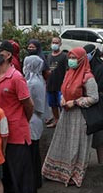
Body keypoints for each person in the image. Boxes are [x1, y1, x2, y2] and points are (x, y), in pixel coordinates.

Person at [0, 41, 35, 193]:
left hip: (16, 130)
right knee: (5, 165)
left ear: (8, 55)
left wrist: (21, 120)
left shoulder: (16, 77)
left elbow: (28, 105)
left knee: (21, 168)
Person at [42, 47, 100, 184]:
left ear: (81, 60)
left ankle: (73, 173)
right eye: (70, 58)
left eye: (74, 58)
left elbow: (94, 98)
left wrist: (75, 102)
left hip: (80, 115)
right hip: (66, 114)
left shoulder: (87, 77)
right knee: (64, 142)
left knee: (76, 145)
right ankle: (56, 171)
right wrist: (62, 98)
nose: (71, 61)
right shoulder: (69, 73)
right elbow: (64, 89)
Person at [22, 55, 47, 191]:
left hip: (31, 119)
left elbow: (29, 104)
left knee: (31, 154)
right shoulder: (39, 80)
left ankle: (32, 183)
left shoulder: (31, 83)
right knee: (35, 153)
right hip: (37, 119)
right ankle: (37, 180)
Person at [45, 36, 67, 128]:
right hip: (50, 85)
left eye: (56, 43)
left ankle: (64, 122)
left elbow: (67, 71)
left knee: (62, 105)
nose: (54, 44)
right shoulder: (49, 56)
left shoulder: (64, 56)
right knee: (53, 105)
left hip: (60, 86)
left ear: (60, 44)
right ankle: (56, 120)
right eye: (53, 42)